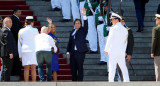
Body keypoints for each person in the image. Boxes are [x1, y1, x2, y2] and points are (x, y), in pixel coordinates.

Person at [104, 13, 130, 82]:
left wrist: (106, 49)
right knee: (123, 67)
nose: (111, 21)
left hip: (113, 51)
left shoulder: (113, 28)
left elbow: (110, 39)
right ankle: (127, 81)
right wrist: (123, 51)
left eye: (112, 19)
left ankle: (111, 82)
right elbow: (125, 43)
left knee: (112, 67)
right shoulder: (125, 30)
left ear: (117, 20)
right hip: (121, 52)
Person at [66, 8, 88, 81]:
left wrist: (84, 16)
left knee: (80, 67)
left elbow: (86, 26)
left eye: (79, 23)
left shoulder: (82, 31)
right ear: (74, 24)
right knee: (73, 69)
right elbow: (70, 43)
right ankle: (74, 83)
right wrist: (68, 52)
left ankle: (80, 83)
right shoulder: (72, 32)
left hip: (80, 52)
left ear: (81, 24)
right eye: (76, 23)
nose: (77, 24)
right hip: (73, 53)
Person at [18, 16, 39, 82]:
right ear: (32, 22)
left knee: (26, 68)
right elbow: (38, 41)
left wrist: (20, 55)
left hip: (24, 50)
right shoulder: (35, 30)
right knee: (33, 68)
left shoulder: (21, 31)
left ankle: (26, 83)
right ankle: (33, 84)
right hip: (33, 50)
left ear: (26, 22)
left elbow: (19, 44)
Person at [117, 17, 134, 82]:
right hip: (117, 54)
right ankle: (122, 81)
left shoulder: (128, 30)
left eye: (122, 22)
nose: (121, 23)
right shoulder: (115, 29)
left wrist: (129, 54)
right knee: (119, 70)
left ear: (123, 22)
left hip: (125, 54)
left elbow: (130, 43)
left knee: (124, 70)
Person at [0, 17, 17, 81]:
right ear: (5, 23)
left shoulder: (4, 30)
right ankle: (6, 82)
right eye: (10, 22)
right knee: (7, 69)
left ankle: (4, 81)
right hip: (7, 53)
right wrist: (10, 52)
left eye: (11, 22)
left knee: (5, 68)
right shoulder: (5, 30)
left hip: (5, 53)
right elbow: (7, 43)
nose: (11, 23)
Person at [10, 7, 23, 79]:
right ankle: (16, 71)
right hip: (16, 40)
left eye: (20, 12)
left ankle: (17, 70)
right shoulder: (13, 19)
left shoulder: (16, 19)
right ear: (14, 12)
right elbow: (16, 30)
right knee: (16, 56)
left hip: (17, 40)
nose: (20, 13)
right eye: (18, 12)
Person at [151, 14, 160, 82]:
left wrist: (152, 51)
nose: (156, 21)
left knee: (157, 67)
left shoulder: (156, 28)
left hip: (158, 52)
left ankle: (158, 82)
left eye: (156, 19)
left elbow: (154, 40)